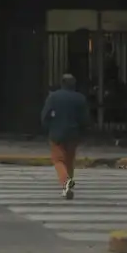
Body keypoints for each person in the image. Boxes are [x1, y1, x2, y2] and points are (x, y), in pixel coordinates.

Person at [41, 72, 91, 200]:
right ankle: (69, 182)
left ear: (62, 84)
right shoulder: (80, 98)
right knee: (69, 160)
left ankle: (66, 184)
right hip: (73, 134)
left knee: (58, 160)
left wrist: (48, 127)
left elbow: (45, 116)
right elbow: (85, 119)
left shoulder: (53, 97)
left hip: (56, 133)